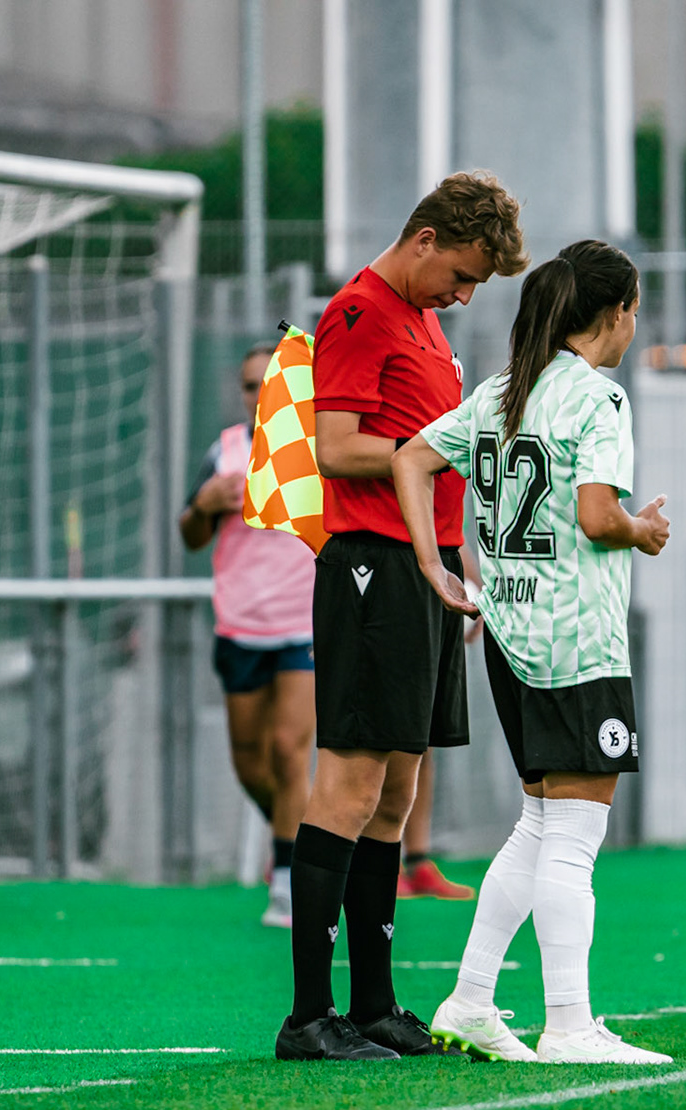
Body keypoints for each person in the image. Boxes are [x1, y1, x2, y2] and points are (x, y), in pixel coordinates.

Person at [391, 239, 674, 1064]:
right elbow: (595, 516)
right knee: (575, 836)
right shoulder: (595, 398)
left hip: (510, 638)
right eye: (634, 312)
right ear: (616, 314)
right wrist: (641, 529)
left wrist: (434, 566)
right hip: (576, 640)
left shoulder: (499, 392)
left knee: (540, 822)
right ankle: (569, 1024)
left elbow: (410, 458)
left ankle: (472, 1000)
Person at [275, 171, 529, 1061]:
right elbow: (335, 445)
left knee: (397, 792)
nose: (464, 296)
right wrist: (425, 461)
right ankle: (310, 1016)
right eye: (461, 275)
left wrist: (453, 561)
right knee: (349, 783)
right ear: (426, 238)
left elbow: (433, 462)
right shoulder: (360, 312)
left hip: (417, 573)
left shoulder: (422, 319)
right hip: (369, 572)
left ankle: (374, 1005)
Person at [180, 343, 316, 929]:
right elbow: (189, 536)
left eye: (270, 382)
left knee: (290, 750)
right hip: (240, 626)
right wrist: (204, 506)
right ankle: (302, 835)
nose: (259, 393)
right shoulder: (226, 452)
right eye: (248, 384)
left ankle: (288, 884)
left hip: (303, 628)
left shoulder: (317, 450)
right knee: (250, 765)